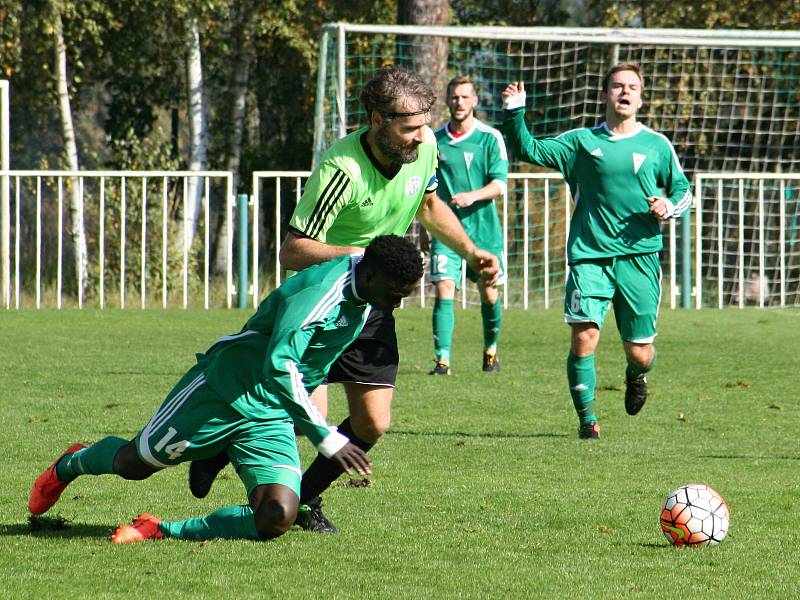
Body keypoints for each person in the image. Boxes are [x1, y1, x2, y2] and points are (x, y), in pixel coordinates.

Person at [188, 65, 500, 533]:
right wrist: (358, 256)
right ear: (377, 120)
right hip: (323, 304)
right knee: (304, 419)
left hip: (373, 307)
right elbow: (292, 251)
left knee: (372, 423)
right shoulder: (341, 169)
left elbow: (430, 206)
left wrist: (471, 253)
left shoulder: (426, 148)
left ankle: (303, 489)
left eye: (422, 126)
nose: (420, 137)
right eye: (408, 128)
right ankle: (241, 459)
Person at [28, 235, 424, 543]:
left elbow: (310, 363)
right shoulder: (322, 292)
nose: (397, 303)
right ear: (370, 276)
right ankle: (70, 464)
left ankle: (160, 529)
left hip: (269, 410)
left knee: (277, 516)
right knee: (133, 465)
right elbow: (280, 362)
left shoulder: (367, 289)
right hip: (224, 390)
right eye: (395, 293)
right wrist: (324, 435)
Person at [501, 63, 691, 439]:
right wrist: (515, 112)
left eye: (632, 87)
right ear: (605, 94)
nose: (625, 92)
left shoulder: (656, 145)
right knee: (584, 334)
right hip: (589, 255)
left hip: (640, 257)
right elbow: (528, 149)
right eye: (618, 86)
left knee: (640, 353)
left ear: (640, 96)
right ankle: (588, 421)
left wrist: (667, 207)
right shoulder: (581, 142)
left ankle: (636, 375)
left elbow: (684, 191)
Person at [429, 75, 509, 375]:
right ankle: (442, 360)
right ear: (448, 100)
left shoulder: (490, 138)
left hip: (484, 230)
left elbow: (500, 184)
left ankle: (490, 352)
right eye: (455, 97)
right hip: (447, 231)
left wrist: (472, 196)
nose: (459, 102)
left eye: (465, 97)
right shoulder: (433, 140)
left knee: (489, 292)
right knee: (443, 287)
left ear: (475, 100)